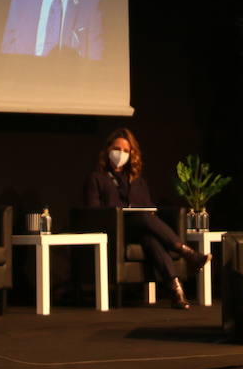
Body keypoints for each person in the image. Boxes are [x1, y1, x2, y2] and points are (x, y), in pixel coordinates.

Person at [84, 128, 208, 309]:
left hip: (139, 228)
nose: (121, 154)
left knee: (150, 238)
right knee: (142, 218)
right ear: (108, 149)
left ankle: (176, 291)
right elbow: (92, 211)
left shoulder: (137, 180)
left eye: (126, 151)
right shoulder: (96, 178)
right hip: (114, 230)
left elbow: (149, 208)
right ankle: (186, 252)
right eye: (117, 149)